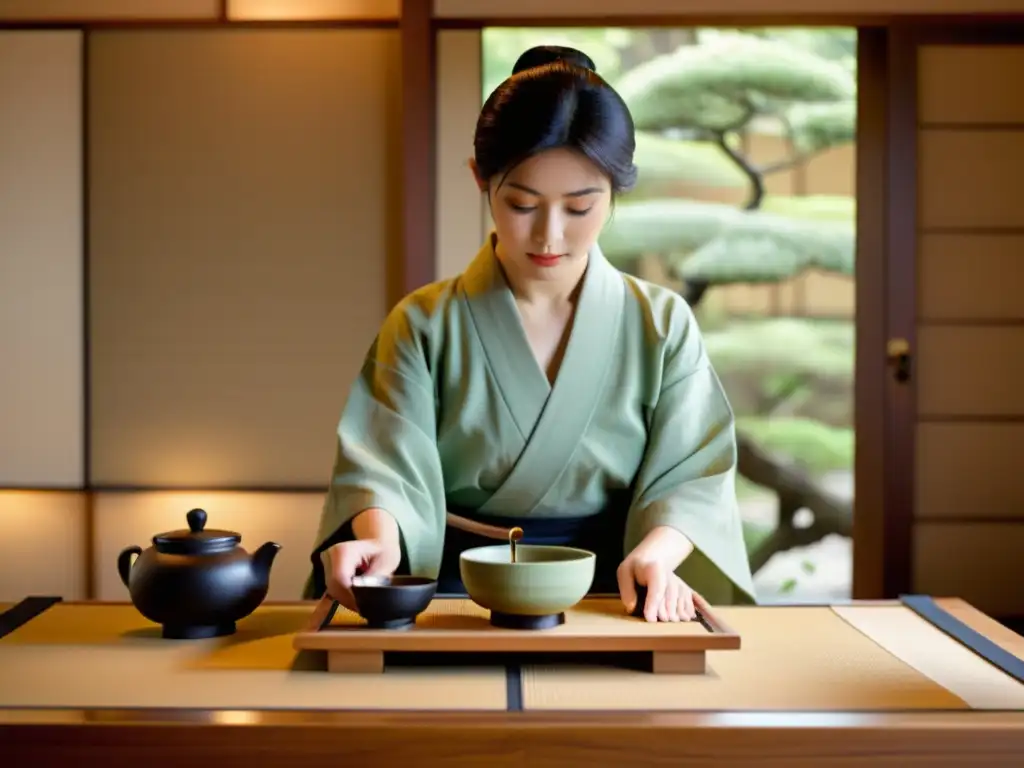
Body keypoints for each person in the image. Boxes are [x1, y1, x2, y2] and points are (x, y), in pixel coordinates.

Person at [304, 45, 757, 623]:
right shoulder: (423, 324)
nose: (549, 234)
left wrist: (659, 555)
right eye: (522, 204)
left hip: (612, 592)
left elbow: (693, 472)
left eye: (579, 207)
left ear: (616, 191)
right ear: (480, 178)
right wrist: (380, 540)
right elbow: (384, 469)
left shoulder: (661, 325)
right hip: (453, 598)